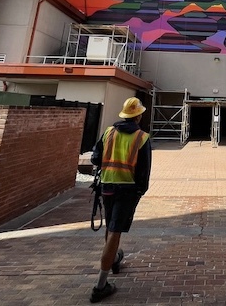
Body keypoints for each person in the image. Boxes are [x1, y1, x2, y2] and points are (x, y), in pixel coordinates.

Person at [89, 97, 152, 303]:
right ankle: (100, 285)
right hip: (127, 190)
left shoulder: (109, 132)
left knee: (111, 226)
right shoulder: (141, 138)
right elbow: (143, 171)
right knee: (115, 230)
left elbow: (95, 158)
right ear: (139, 116)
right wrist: (140, 191)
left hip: (107, 187)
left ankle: (114, 258)